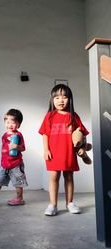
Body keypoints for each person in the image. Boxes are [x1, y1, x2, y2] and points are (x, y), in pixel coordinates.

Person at [39, 84, 89, 216]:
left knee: (69, 177)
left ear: (70, 99)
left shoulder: (74, 116)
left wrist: (83, 148)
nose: (61, 100)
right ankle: (52, 204)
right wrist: (46, 150)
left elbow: (82, 134)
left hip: (69, 153)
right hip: (53, 153)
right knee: (54, 177)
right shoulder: (49, 116)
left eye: (65, 97)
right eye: (57, 97)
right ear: (52, 100)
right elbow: (45, 134)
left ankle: (70, 203)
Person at [0, 108, 28, 206]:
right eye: (7, 122)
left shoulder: (19, 135)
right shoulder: (4, 135)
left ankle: (19, 198)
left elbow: (23, 148)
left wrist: (16, 146)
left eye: (13, 122)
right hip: (4, 164)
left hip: (16, 164)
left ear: (19, 124)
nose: (10, 125)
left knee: (18, 182)